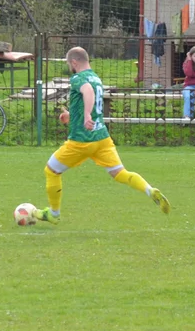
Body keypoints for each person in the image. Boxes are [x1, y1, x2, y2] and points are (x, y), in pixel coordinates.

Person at [32, 47, 170, 225]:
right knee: (120, 173)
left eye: (69, 64)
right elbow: (87, 97)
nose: (70, 68)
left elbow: (87, 92)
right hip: (102, 138)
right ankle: (149, 190)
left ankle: (54, 214)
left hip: (82, 140)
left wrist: (87, 115)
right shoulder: (96, 78)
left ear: (74, 62)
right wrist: (73, 116)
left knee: (51, 171)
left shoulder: (78, 78)